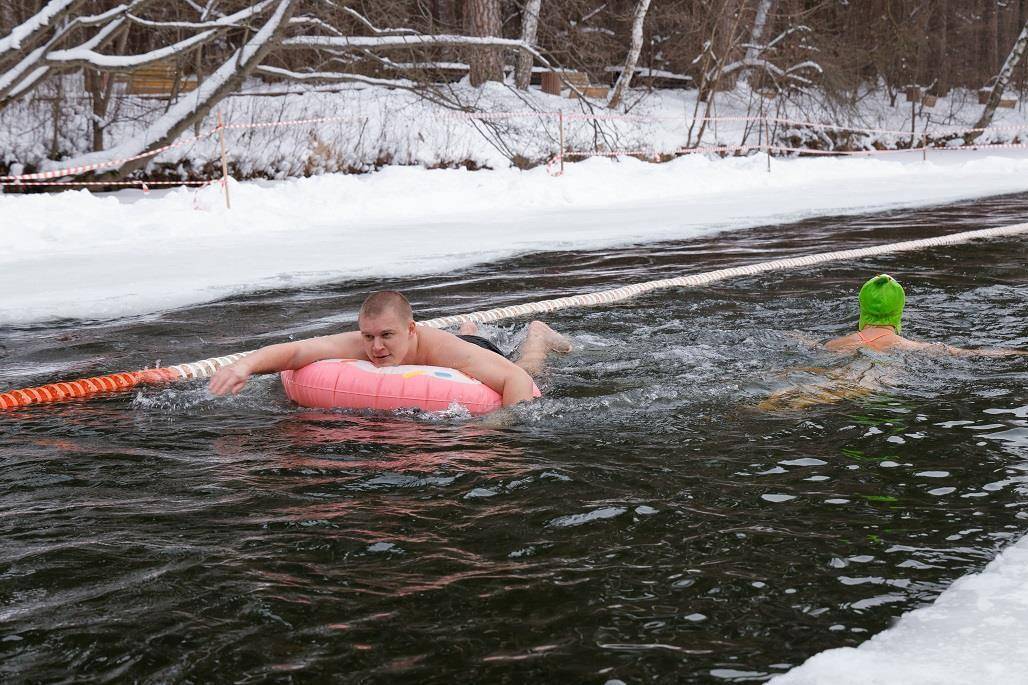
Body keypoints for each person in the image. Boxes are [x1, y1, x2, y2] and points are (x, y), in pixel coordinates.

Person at [208, 291, 571, 407]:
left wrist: (501, 430)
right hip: (451, 347)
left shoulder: (441, 348)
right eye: (368, 337)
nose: (376, 348)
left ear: (410, 330)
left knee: (531, 365)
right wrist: (245, 366)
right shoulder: (363, 343)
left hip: (470, 351)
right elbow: (297, 352)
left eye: (386, 336)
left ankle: (536, 332)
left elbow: (516, 380)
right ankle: (467, 325)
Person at [824, 274, 1027, 357]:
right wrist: (1020, 353)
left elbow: (807, 343)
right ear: (898, 311)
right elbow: (972, 354)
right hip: (877, 377)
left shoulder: (834, 345)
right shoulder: (910, 347)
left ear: (862, 309)